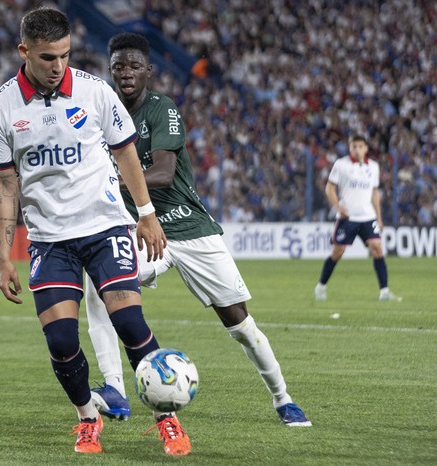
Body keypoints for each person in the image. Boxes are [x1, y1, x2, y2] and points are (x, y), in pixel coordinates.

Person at [0, 8, 190, 456]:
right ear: (24, 52)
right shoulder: (0, 107)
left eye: (64, 55)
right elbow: (3, 184)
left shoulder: (95, 92)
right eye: (46, 58)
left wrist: (146, 213)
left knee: (130, 323)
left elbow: (127, 154)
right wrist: (3, 256)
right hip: (48, 237)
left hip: (104, 226)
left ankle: (166, 418)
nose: (58, 66)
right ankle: (87, 418)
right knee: (60, 340)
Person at [85, 32, 312, 429]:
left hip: (188, 227)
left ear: (149, 72)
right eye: (119, 66)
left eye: (135, 66)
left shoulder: (161, 108)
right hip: (137, 226)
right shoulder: (100, 110)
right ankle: (114, 386)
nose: (126, 73)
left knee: (239, 322)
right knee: (101, 286)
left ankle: (283, 398)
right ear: (110, 69)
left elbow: (163, 171)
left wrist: (106, 179)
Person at [314, 134, 402, 302]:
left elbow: (375, 193)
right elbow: (329, 188)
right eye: (354, 146)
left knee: (377, 248)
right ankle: (321, 286)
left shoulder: (374, 167)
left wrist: (379, 217)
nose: (357, 149)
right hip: (348, 218)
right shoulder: (341, 165)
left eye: (360, 146)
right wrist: (338, 206)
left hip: (368, 217)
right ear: (350, 148)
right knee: (338, 252)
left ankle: (384, 291)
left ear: (366, 148)